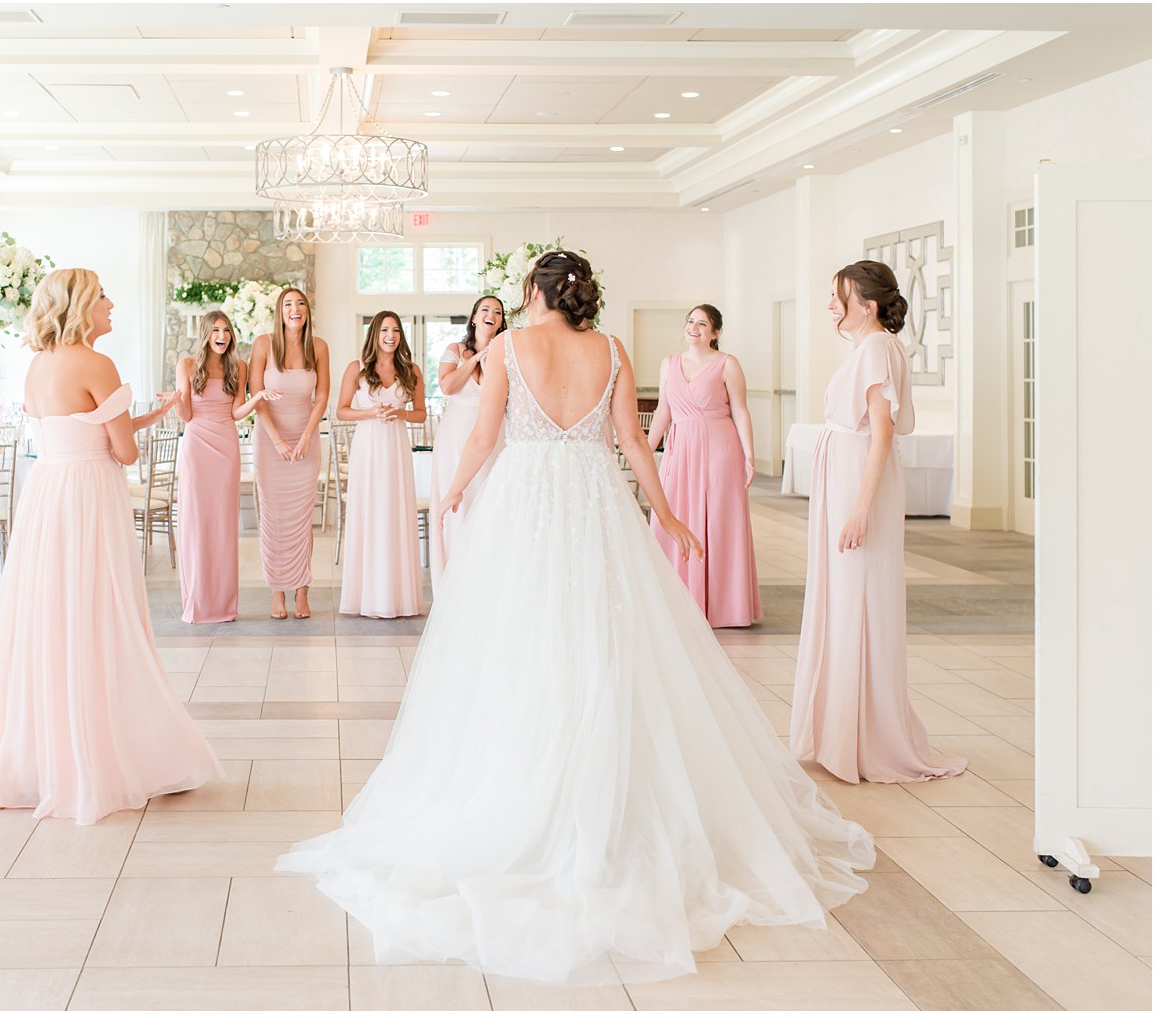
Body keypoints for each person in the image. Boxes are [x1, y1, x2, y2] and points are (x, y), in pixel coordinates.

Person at [276, 251, 873, 985]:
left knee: (518, 643)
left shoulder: (505, 347)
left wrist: (451, 491)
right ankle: (600, 787)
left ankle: (521, 779)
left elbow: (484, 437)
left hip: (523, 505)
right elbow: (629, 442)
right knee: (601, 642)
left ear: (533, 292)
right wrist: (669, 515)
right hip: (594, 506)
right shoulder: (613, 350)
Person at [0, 268, 222, 825]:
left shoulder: (39, 365)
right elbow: (124, 454)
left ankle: (44, 758)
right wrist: (144, 424)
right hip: (87, 494)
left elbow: (83, 426)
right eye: (104, 296)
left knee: (51, 615)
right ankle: (100, 752)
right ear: (84, 306)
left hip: (48, 493)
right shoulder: (97, 363)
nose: (112, 304)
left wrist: (151, 414)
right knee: (98, 613)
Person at [789, 260, 967, 784]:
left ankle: (861, 736)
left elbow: (882, 433)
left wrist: (861, 506)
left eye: (837, 297)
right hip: (848, 477)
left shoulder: (875, 349)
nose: (829, 306)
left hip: (859, 483)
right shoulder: (872, 347)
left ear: (866, 304)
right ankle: (846, 730)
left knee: (857, 599)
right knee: (846, 599)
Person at [646, 304, 763, 627]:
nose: (694, 328)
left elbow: (740, 410)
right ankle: (674, 598)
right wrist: (644, 450)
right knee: (672, 512)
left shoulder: (727, 364)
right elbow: (662, 412)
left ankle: (724, 605)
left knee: (718, 520)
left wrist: (750, 454)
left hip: (720, 449)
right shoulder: (669, 364)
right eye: (690, 322)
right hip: (680, 448)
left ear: (716, 332)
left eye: (702, 323)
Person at [174, 311, 282, 624]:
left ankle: (222, 605)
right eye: (216, 330)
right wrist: (173, 401)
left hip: (226, 445)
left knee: (223, 524)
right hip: (197, 446)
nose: (222, 336)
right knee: (197, 520)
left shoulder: (239, 366)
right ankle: (197, 602)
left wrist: (258, 397)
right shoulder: (187, 366)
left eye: (226, 330)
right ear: (206, 334)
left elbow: (236, 412)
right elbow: (185, 414)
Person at [336, 311, 426, 618]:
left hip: (396, 446)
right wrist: (372, 413)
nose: (391, 335)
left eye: (397, 330)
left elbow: (421, 413)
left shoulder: (411, 370)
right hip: (368, 446)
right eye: (385, 329)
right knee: (370, 511)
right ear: (374, 333)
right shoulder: (357, 369)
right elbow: (342, 411)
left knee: (395, 512)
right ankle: (367, 595)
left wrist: (400, 414)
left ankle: (397, 596)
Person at [248, 287, 329, 620]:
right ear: (280, 311)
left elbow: (322, 395)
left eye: (300, 304)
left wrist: (308, 435)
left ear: (307, 311)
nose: (295, 309)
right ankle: (277, 592)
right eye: (288, 305)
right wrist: (279, 440)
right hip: (270, 442)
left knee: (301, 519)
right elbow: (257, 396)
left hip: (306, 440)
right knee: (274, 518)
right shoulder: (264, 344)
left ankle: (302, 591)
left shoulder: (319, 346)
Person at [429, 295, 505, 588]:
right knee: (456, 498)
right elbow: (448, 386)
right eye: (485, 310)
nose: (491, 315)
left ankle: (485, 580)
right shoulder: (455, 350)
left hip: (492, 435)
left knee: (487, 502)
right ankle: (452, 582)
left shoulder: (504, 353)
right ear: (474, 317)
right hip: (455, 436)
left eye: (497, 312)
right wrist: (473, 359)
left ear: (501, 322)